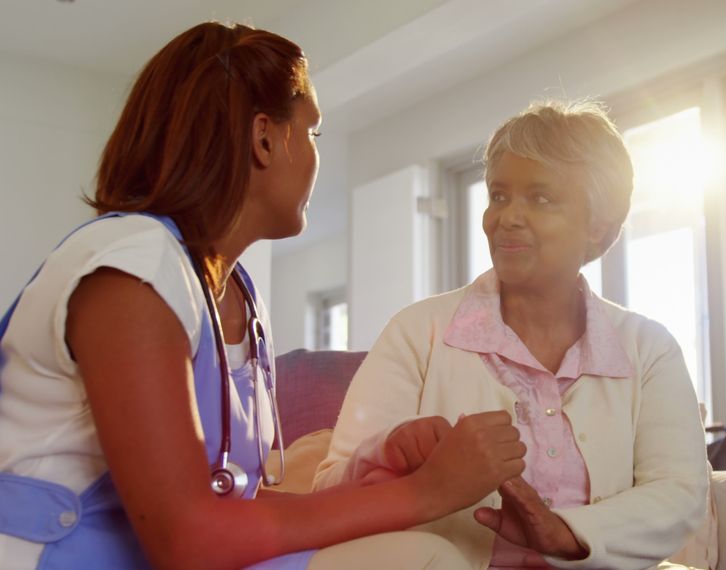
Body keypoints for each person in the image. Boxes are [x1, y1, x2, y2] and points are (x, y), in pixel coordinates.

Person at [0, 22, 525, 569]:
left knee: (424, 552)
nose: (316, 155)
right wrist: (426, 494)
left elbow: (233, 508)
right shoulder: (133, 266)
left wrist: (382, 478)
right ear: (265, 138)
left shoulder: (236, 296)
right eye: (314, 133)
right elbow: (190, 538)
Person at [315, 100, 709, 569]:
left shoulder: (650, 349)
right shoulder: (417, 332)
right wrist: (388, 455)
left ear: (597, 226)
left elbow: (679, 492)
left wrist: (566, 534)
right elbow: (327, 492)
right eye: (499, 196)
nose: (507, 217)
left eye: (540, 198)